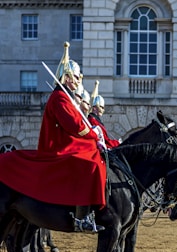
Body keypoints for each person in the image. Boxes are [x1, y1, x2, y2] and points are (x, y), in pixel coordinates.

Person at [0, 42, 106, 233]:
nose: (78, 81)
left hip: (68, 144)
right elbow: (74, 126)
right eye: (75, 77)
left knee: (95, 157)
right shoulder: (59, 98)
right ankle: (81, 217)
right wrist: (93, 133)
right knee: (90, 164)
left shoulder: (66, 97)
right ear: (65, 77)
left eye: (79, 78)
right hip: (59, 147)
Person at [88, 80, 121, 149]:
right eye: (101, 107)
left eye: (103, 108)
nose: (102, 110)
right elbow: (104, 140)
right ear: (94, 108)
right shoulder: (93, 121)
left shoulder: (97, 121)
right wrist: (117, 143)